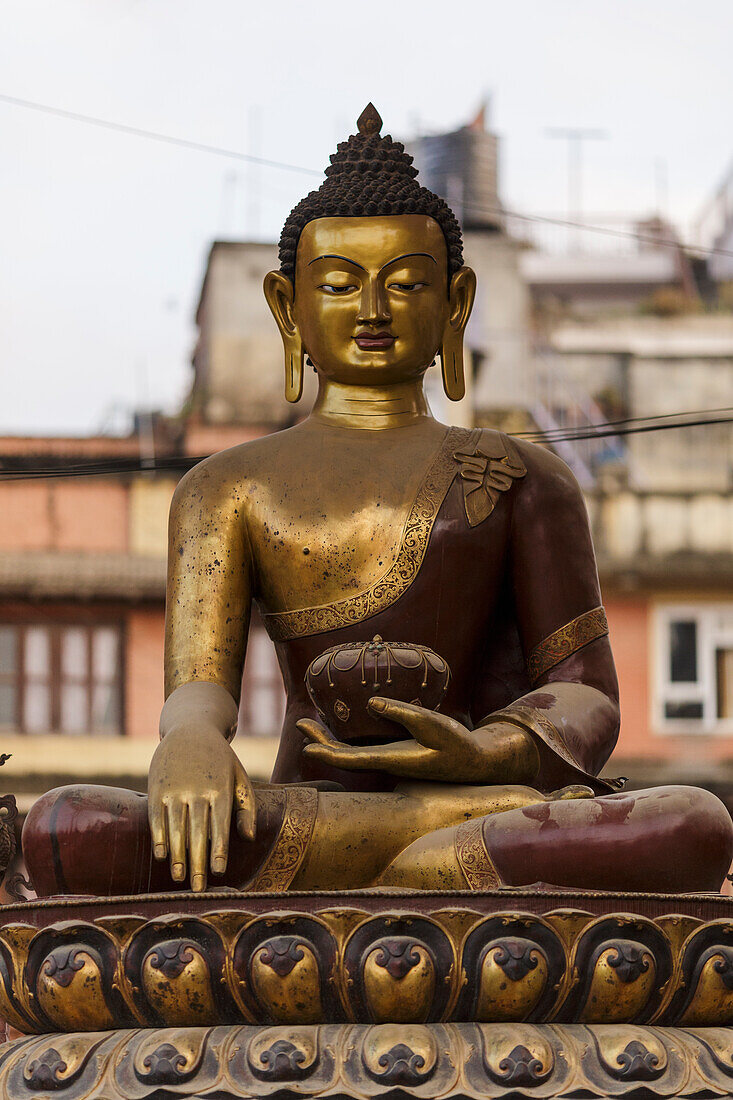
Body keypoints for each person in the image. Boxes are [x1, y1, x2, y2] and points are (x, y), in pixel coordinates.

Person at [22, 105, 733, 898]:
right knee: (67, 827)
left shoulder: (520, 475)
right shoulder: (225, 487)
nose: (371, 310)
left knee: (695, 822)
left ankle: (429, 854)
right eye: (337, 285)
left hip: (478, 801)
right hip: (310, 814)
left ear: (454, 302)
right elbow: (201, 682)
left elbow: (586, 693)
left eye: (404, 284)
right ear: (288, 309)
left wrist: (487, 754)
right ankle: (425, 860)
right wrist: (188, 739)